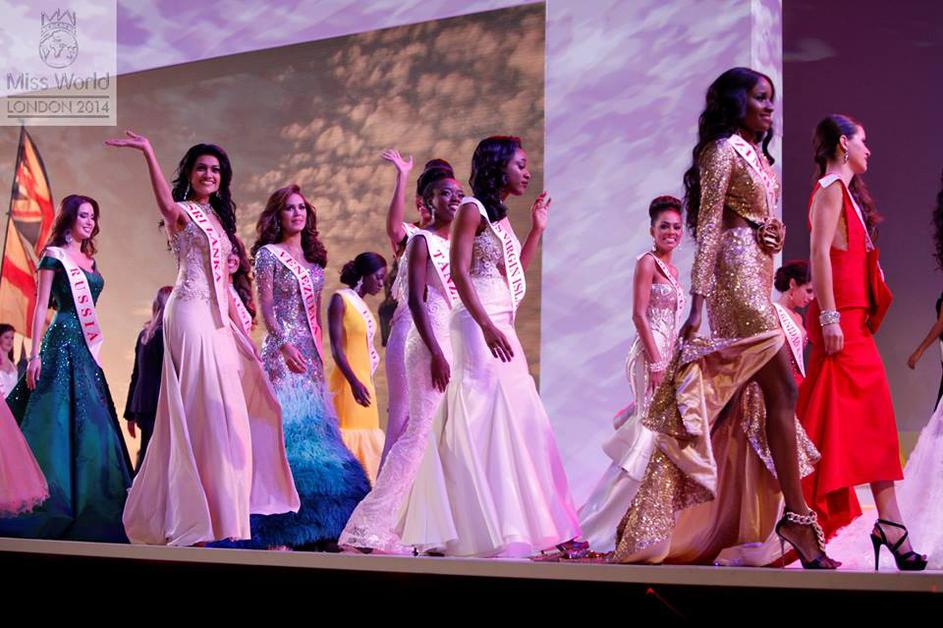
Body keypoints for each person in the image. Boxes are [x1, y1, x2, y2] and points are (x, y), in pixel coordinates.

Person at [610, 68, 834, 569]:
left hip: (756, 275)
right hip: (734, 284)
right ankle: (797, 519)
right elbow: (709, 225)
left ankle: (701, 523)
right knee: (782, 392)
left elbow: (751, 219)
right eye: (760, 98)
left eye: (771, 98)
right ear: (736, 102)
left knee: (740, 407)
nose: (769, 106)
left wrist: (771, 233)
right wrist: (698, 302)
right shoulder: (720, 151)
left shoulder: (757, 156)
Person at [107, 132, 298, 546]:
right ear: (190, 174)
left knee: (228, 410)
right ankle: (190, 519)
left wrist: (242, 332)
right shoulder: (183, 212)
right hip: (189, 313)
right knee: (200, 407)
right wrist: (148, 151)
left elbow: (224, 286)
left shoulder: (219, 222)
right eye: (201, 168)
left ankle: (219, 516)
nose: (208, 174)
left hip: (217, 318)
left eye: (215, 170)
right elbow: (165, 204)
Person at [397, 136, 581, 558]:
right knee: (482, 410)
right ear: (499, 167)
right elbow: (460, 272)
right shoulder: (470, 209)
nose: (527, 173)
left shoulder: (499, 221)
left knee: (517, 413)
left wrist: (537, 230)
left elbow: (513, 273)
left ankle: (512, 524)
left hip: (502, 319)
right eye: (520, 165)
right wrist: (485, 325)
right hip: (477, 321)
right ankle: (475, 525)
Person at [797, 114, 925, 570]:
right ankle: (799, 521)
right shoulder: (831, 188)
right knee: (824, 427)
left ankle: (888, 523)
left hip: (854, 325)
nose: (868, 150)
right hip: (843, 326)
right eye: (862, 141)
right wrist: (829, 316)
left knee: (863, 426)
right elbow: (819, 255)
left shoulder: (845, 192)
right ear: (842, 143)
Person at [340, 167, 461, 552]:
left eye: (459, 194)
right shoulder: (421, 241)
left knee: (436, 435)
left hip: (449, 339)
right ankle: (368, 526)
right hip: (426, 341)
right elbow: (415, 300)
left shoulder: (457, 244)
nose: (454, 200)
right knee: (417, 432)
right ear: (428, 202)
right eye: (446, 193)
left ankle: (419, 525)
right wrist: (436, 351)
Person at [0, 195, 132, 541]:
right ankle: (53, 501)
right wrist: (36, 356)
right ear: (70, 218)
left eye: (93, 216)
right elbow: (42, 305)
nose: (89, 221)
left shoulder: (90, 259)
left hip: (86, 349)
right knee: (55, 417)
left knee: (92, 419)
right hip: (60, 342)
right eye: (83, 215)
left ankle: (94, 503)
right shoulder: (54, 255)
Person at [246, 185, 369, 550]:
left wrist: (317, 358)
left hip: (310, 357)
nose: (297, 213)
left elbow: (313, 318)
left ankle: (327, 523)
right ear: (278, 215)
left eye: (301, 207)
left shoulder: (314, 264)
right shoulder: (268, 255)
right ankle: (284, 525)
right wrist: (283, 343)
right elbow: (267, 308)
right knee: (290, 434)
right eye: (289, 208)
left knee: (320, 436)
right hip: (281, 353)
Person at [578, 196, 685, 553]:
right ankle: (598, 525)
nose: (671, 232)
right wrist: (655, 361)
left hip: (667, 357)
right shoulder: (647, 262)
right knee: (645, 437)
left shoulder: (673, 271)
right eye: (664, 226)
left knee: (654, 443)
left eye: (676, 226)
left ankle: (636, 524)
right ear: (652, 230)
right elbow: (639, 315)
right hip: (648, 356)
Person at [379, 151, 453, 469]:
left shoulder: (453, 244)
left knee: (437, 420)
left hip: (444, 333)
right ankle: (388, 491)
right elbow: (394, 227)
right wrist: (403, 175)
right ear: (424, 201)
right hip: (410, 329)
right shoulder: (413, 237)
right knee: (403, 417)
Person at [327, 252, 388, 485]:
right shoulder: (340, 300)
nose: (381, 284)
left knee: (369, 432)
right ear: (364, 275)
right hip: (348, 383)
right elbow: (336, 349)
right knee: (350, 433)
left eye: (383, 279)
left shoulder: (363, 307)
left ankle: (369, 491)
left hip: (365, 382)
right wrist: (353, 382)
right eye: (378, 277)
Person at [124, 286, 172, 470]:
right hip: (158, 404)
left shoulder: (144, 335)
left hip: (142, 405)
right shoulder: (164, 337)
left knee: (146, 453)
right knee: (154, 459)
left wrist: (130, 413)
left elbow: (136, 374)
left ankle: (139, 484)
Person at [774, 260, 814, 384]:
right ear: (792, 284)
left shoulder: (799, 317)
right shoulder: (773, 312)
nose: (812, 298)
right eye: (809, 291)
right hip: (780, 382)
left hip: (798, 380)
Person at [0, 324, 18, 398]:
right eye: (6, 337)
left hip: (12, 403)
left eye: (12, 338)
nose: (10, 341)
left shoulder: (14, 366)